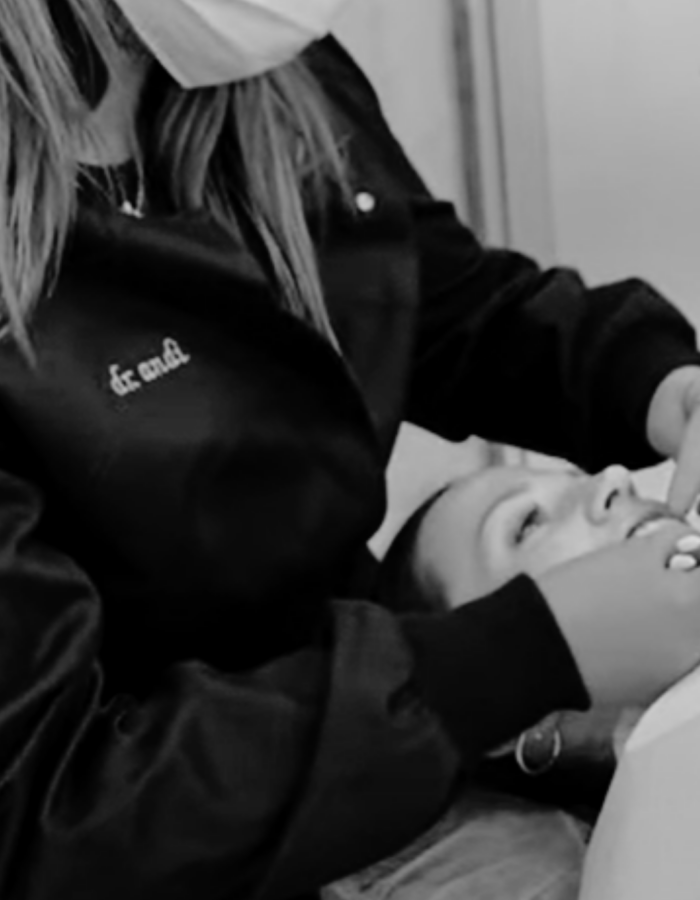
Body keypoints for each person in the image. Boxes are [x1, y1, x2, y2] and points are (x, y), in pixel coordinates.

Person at [4, 2, 700, 898]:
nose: (606, 485)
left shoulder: (268, 74)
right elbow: (47, 810)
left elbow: (442, 300)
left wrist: (664, 385)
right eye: (524, 521)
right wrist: (518, 657)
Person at [327, 463, 695, 900]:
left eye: (579, 475)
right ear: (515, 715)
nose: (614, 477)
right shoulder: (551, 873)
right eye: (528, 524)